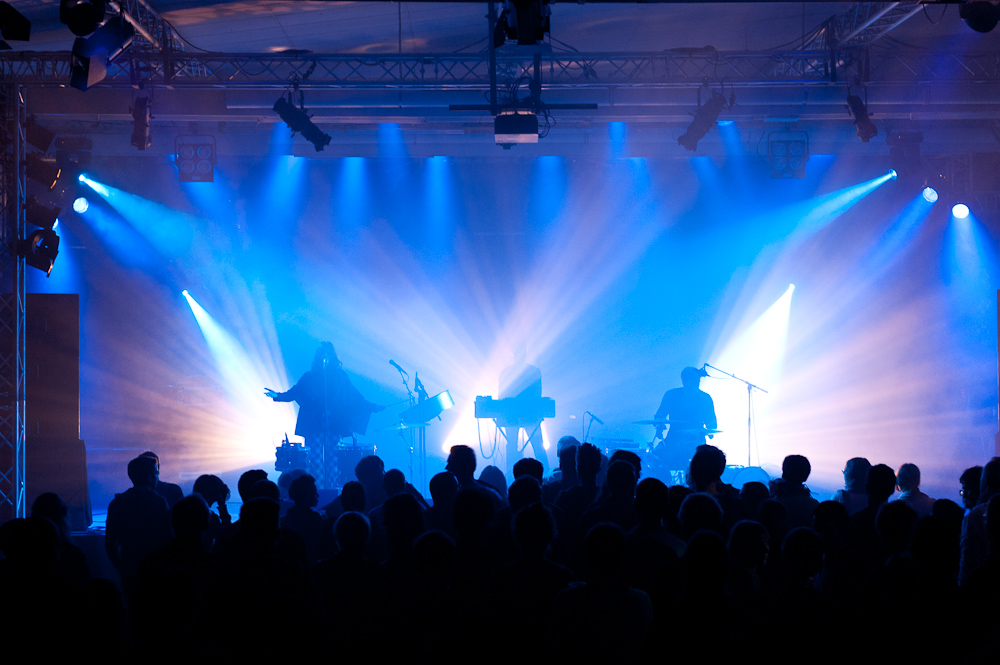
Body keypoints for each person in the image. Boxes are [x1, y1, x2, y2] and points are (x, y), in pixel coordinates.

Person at [265, 342, 382, 487]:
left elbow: (355, 396)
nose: (325, 356)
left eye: (328, 353)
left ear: (332, 356)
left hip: (334, 425)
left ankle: (331, 490)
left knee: (333, 460)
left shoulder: (340, 376)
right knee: (314, 460)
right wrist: (278, 395)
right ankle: (317, 490)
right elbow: (295, 392)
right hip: (314, 424)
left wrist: (373, 406)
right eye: (322, 353)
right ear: (318, 356)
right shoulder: (310, 376)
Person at [652, 366, 717, 475]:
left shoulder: (705, 398)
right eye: (694, 381)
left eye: (698, 381)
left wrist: (709, 431)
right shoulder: (671, 395)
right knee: (657, 455)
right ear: (684, 381)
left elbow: (712, 423)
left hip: (696, 442)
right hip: (673, 439)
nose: (697, 383)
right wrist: (659, 427)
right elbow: (660, 415)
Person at [498, 344, 548, 473]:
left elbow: (501, 396)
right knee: (538, 447)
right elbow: (538, 395)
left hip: (512, 415)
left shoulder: (505, 372)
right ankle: (545, 476)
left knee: (512, 447)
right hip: (530, 414)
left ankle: (511, 476)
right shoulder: (534, 371)